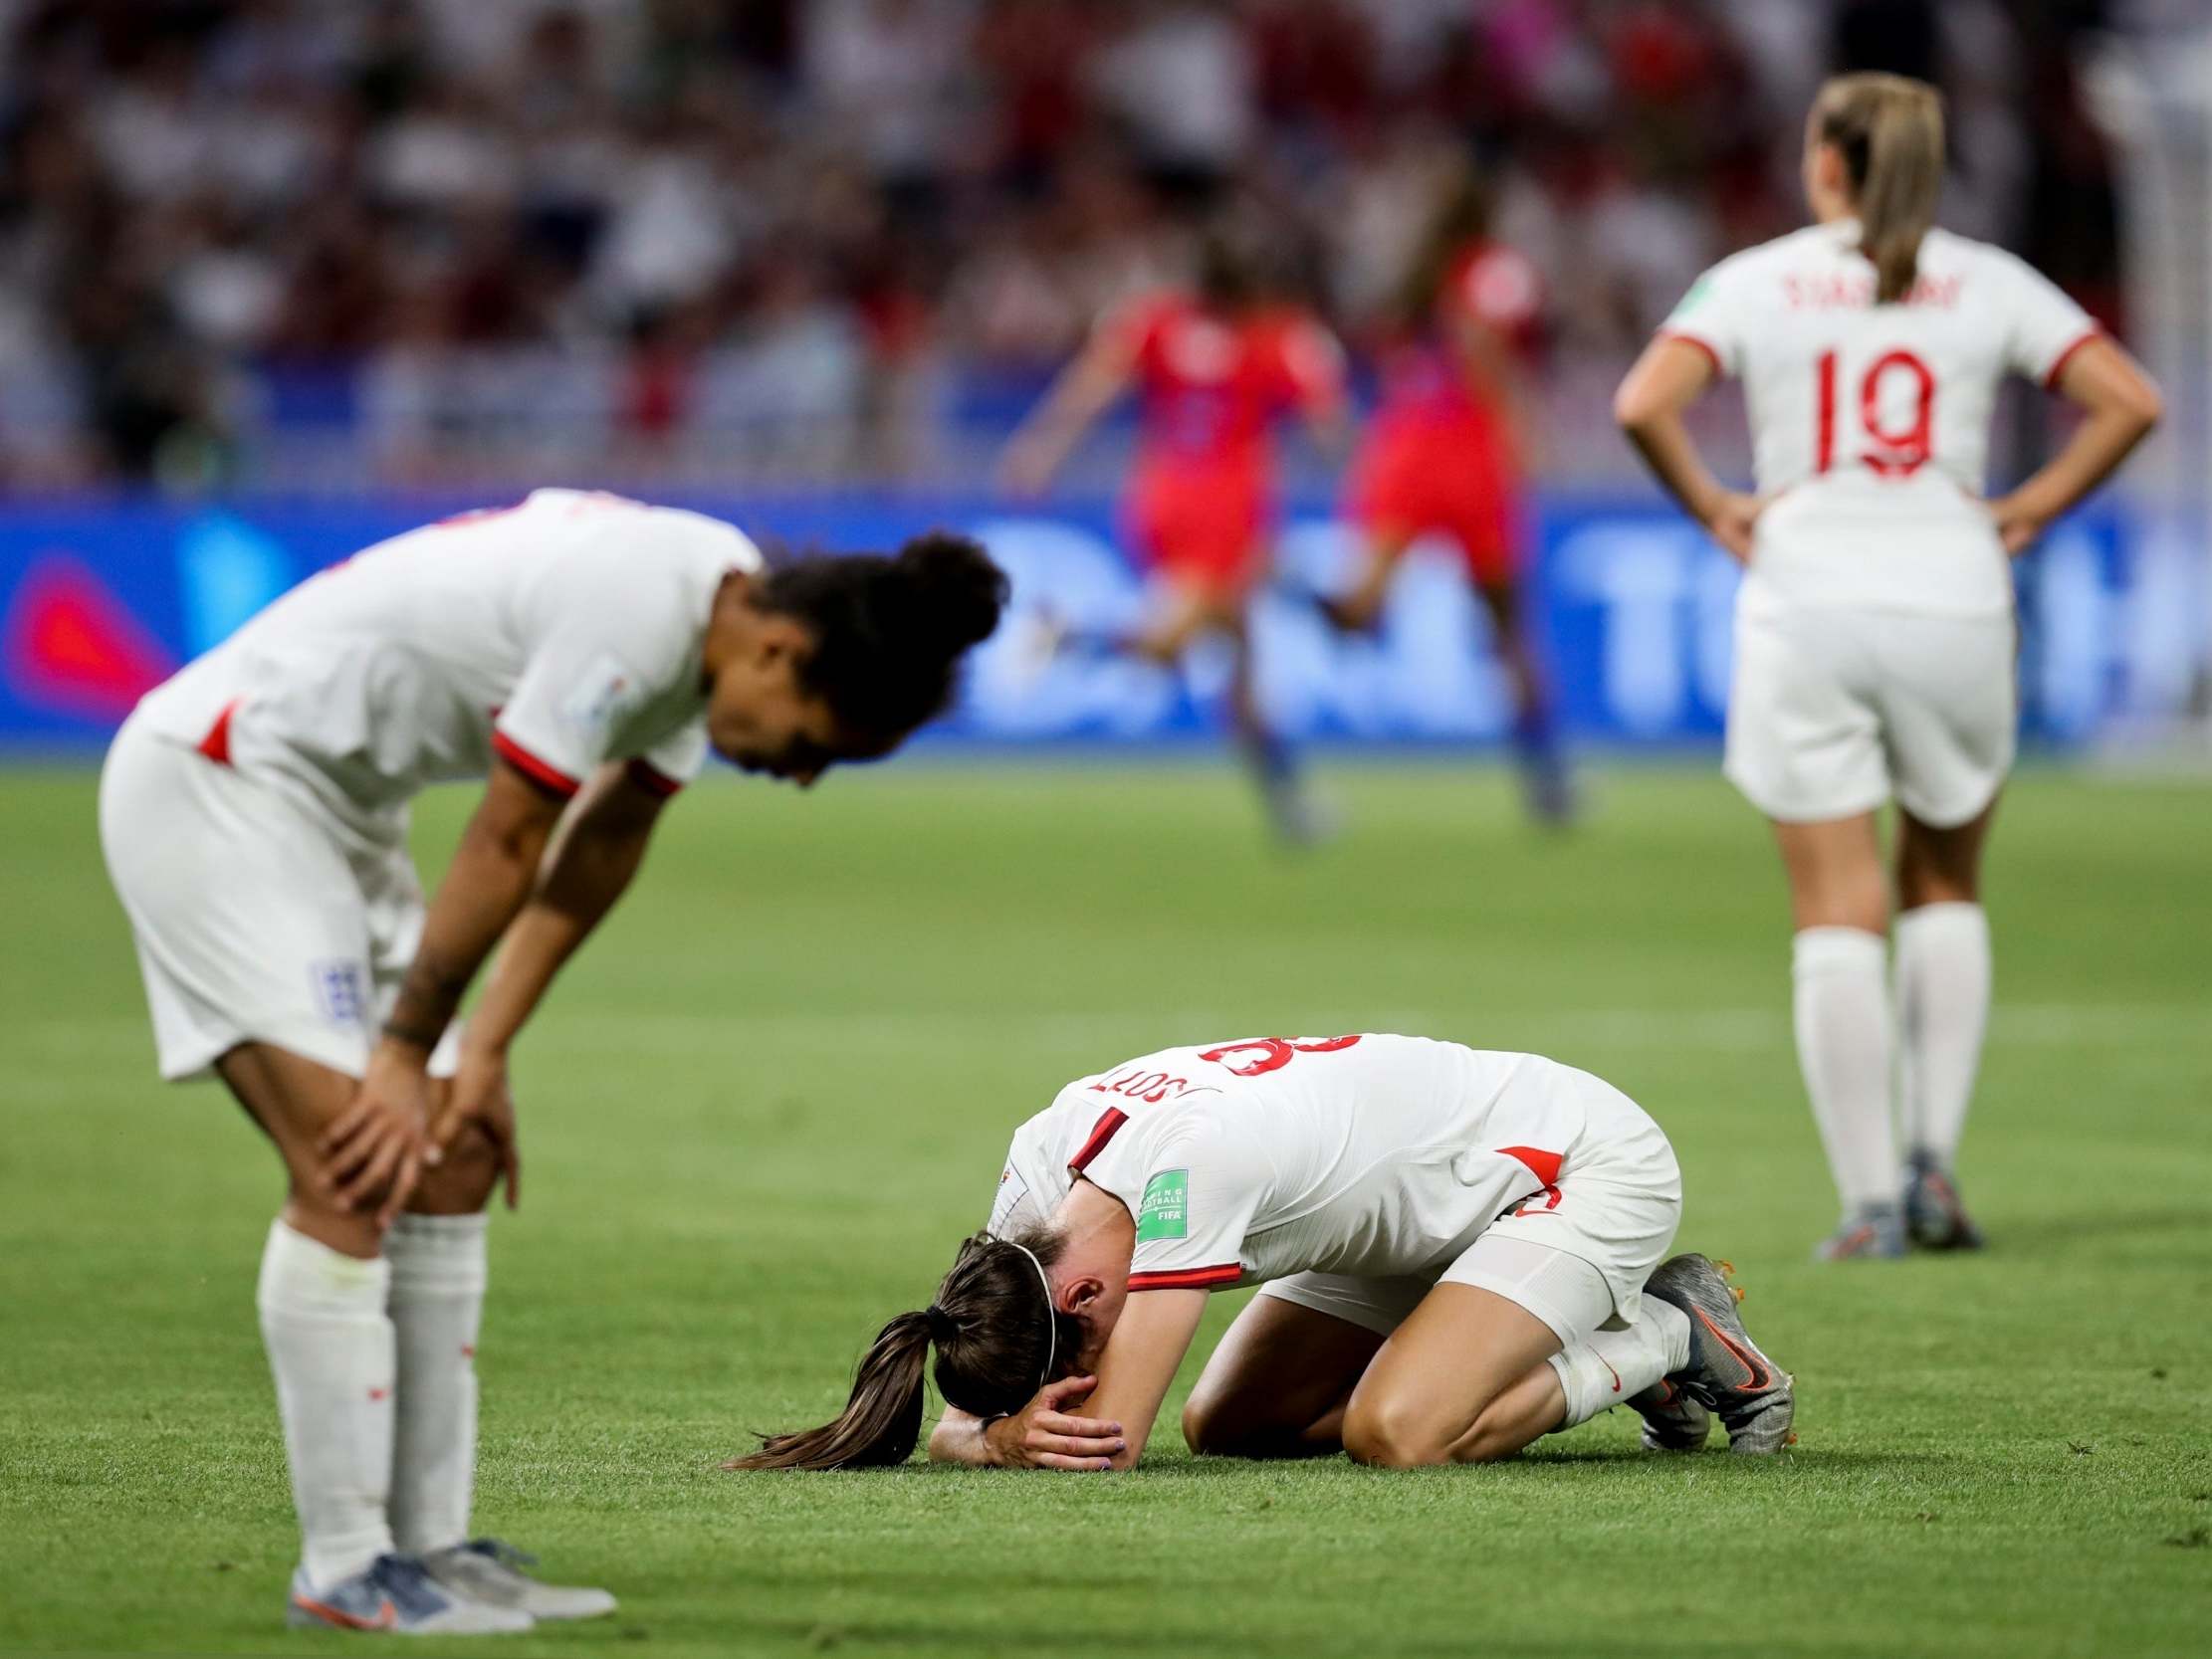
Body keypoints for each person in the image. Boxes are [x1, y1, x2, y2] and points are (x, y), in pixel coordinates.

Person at [99, 489, 1006, 1632]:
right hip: (222, 783)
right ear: (781, 649)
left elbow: (605, 841)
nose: (804, 774)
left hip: (337, 818)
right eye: (817, 741)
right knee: (352, 1163)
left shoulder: (708, 600)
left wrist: (480, 1051)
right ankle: (342, 1569)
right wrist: (403, 1050)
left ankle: (429, 1548)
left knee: (454, 1152)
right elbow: (513, 832)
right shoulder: (640, 604)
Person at [1613, 75, 2161, 1259]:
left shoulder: (1756, 278)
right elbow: (2127, 398)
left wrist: (1715, 503)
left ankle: (1866, 1202)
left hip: (1807, 592)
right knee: (1943, 884)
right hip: (1954, 595)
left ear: (1822, 163)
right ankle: (1934, 1169)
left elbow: (1641, 399)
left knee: (1834, 904)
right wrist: (2026, 508)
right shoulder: (1986, 278)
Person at [729, 1032, 1793, 1474]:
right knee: (1231, 1422)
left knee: (1397, 1431)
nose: (1082, 1370)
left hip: (1567, 1166)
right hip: (1409, 1204)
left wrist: (994, 1439)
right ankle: (1507, 1332)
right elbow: (998, 1391)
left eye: (1076, 1346)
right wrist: (980, 1428)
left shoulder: (1191, 1169)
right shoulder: (1032, 1194)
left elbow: (1110, 1441)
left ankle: (1663, 1328)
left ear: (1088, 1290)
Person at [998, 229, 1349, 843]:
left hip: (1160, 500)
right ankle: (1073, 635)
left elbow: (1089, 388)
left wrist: (1038, 450)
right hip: (1228, 511)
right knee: (1171, 648)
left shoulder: (1156, 323)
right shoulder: (1276, 336)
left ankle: (1288, 804)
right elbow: (1330, 425)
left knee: (1241, 660)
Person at [1329, 162, 1572, 824]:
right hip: (1467, 454)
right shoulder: (1494, 272)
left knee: (1357, 608)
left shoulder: (1411, 278)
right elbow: (1485, 348)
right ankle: (1547, 780)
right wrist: (1521, 429)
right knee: (1508, 626)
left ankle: (1284, 589)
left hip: (1401, 447)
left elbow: (1394, 362)